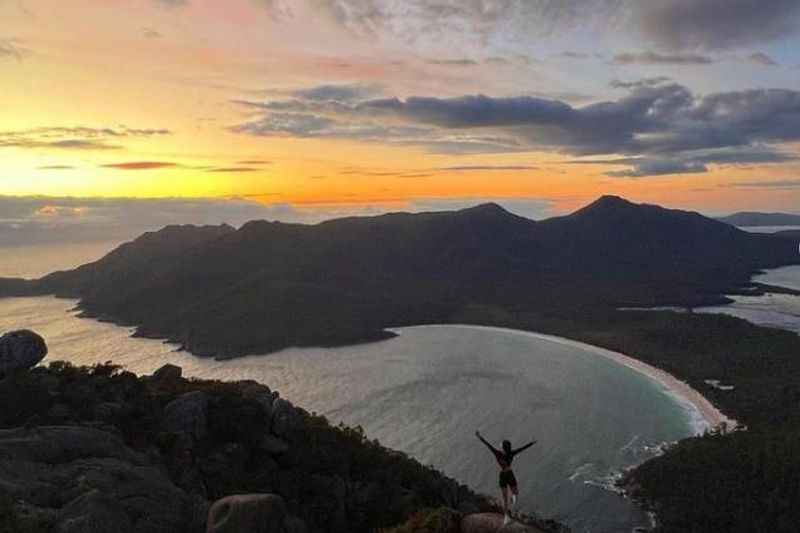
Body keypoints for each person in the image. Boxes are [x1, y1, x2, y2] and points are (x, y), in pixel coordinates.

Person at [475, 430, 536, 525]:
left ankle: (507, 515)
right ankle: (507, 515)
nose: (500, 445)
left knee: (506, 497)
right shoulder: (511, 453)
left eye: (501, 445)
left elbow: (488, 445)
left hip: (503, 476)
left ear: (503, 448)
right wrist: (531, 443)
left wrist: (480, 437)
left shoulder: (498, 453)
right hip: (509, 474)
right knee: (514, 494)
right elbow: (522, 449)